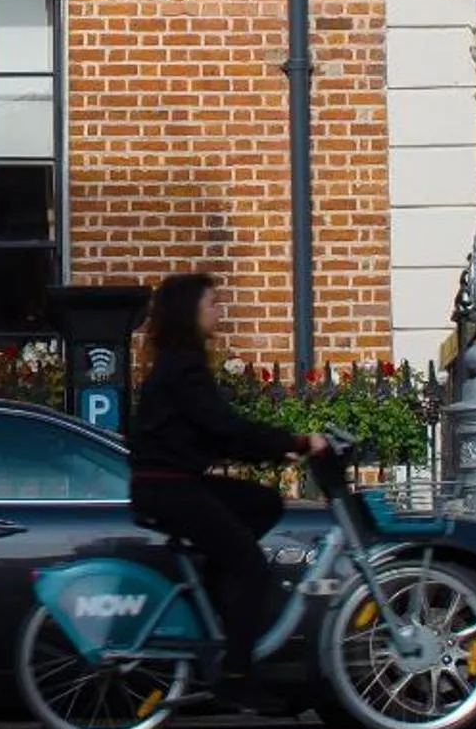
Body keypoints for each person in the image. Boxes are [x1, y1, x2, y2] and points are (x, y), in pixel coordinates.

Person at [125, 272, 330, 706]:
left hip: (174, 483)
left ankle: (216, 591)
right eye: (213, 304)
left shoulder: (179, 362)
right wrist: (290, 443)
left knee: (263, 502)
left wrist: (272, 450)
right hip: (169, 488)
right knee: (251, 565)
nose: (221, 311)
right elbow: (222, 426)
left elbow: (217, 433)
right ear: (190, 312)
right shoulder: (183, 366)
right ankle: (237, 672)